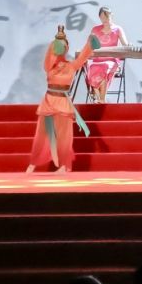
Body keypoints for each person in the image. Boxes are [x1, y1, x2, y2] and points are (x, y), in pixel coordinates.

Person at [28, 25, 97, 174]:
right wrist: (57, 40)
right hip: (49, 102)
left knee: (65, 137)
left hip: (64, 104)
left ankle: (64, 166)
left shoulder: (71, 66)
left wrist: (90, 42)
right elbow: (51, 54)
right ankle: (33, 163)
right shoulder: (49, 66)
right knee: (41, 136)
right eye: (59, 46)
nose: (61, 48)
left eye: (64, 46)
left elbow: (83, 56)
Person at [84, 6, 127, 100]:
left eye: (106, 17)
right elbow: (88, 45)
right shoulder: (95, 29)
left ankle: (100, 99)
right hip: (97, 60)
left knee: (105, 67)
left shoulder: (117, 29)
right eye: (102, 17)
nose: (104, 20)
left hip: (112, 60)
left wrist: (129, 46)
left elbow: (125, 45)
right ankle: (101, 100)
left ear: (111, 16)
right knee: (92, 68)